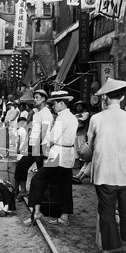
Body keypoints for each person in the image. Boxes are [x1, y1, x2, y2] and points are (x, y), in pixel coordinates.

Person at [87, 77, 126, 253]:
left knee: (107, 213)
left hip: (105, 174)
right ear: (123, 97)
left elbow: (90, 146)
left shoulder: (96, 118)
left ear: (105, 98)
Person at [27, 90, 78, 227]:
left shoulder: (61, 118)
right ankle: (64, 216)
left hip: (57, 155)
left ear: (62, 103)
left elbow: (52, 137)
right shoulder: (72, 117)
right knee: (65, 186)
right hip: (68, 155)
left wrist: (44, 147)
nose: (53, 106)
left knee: (38, 180)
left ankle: (36, 212)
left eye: (55, 103)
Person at [14, 89, 53, 199]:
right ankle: (23, 191)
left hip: (41, 145)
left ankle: (43, 196)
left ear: (44, 99)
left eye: (37, 98)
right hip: (33, 144)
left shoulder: (46, 113)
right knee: (21, 166)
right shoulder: (37, 113)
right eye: (34, 97)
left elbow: (44, 131)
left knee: (41, 172)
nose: (35, 100)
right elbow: (32, 130)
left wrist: (37, 144)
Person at [72, 100, 90, 168]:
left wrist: (76, 120)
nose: (79, 107)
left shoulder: (86, 113)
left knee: (83, 149)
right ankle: (77, 164)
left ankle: (84, 165)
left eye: (80, 106)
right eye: (78, 106)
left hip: (82, 134)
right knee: (76, 149)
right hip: (76, 134)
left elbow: (82, 120)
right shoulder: (75, 115)